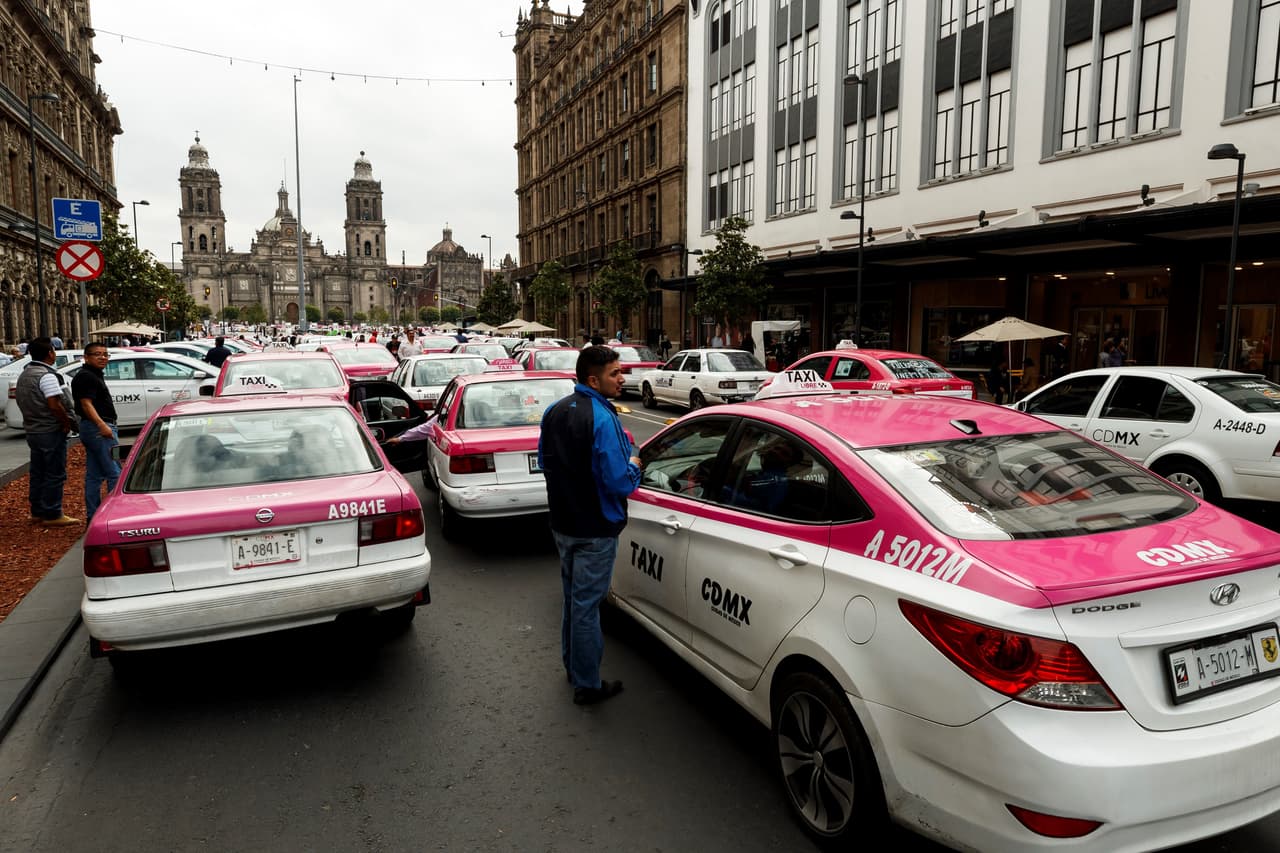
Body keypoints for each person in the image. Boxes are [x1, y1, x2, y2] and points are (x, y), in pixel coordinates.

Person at [538, 346, 642, 706]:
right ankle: (587, 683)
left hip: (563, 523)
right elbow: (619, 482)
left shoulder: (554, 411)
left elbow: (544, 462)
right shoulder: (601, 416)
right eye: (616, 373)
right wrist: (635, 464)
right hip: (595, 528)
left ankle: (574, 666)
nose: (622, 379)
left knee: (573, 600)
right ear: (593, 379)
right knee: (586, 605)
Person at [15, 338, 78, 527]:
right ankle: (53, 513)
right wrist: (66, 423)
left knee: (38, 471)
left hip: (33, 430)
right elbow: (54, 404)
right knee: (54, 472)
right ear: (50, 353)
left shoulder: (25, 374)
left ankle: (37, 511)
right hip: (49, 429)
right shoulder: (47, 375)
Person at [71, 342, 120, 523]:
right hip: (99, 429)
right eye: (97, 354)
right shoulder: (86, 377)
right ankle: (113, 517)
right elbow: (85, 404)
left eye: (105, 354)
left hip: (94, 429)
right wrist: (102, 425)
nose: (102, 357)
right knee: (114, 472)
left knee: (94, 474)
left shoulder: (92, 375)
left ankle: (94, 516)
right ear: (86, 357)